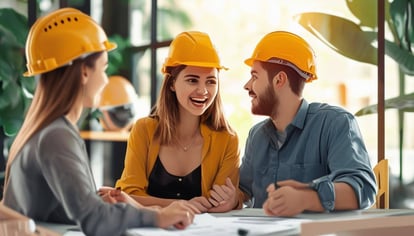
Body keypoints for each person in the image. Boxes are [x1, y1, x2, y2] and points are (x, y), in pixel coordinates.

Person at [2, 8, 197, 236]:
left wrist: (115, 204)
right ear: (84, 72)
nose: (106, 80)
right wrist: (158, 216)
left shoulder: (45, 129)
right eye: (104, 69)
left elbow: (57, 210)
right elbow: (93, 221)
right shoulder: (56, 135)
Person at [237, 31, 377, 216]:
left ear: (279, 80)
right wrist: (233, 198)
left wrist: (308, 198)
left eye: (255, 76)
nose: (247, 85)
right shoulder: (257, 135)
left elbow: (363, 189)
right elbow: (244, 190)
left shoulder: (335, 123)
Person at [111, 31, 241, 213]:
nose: (203, 90)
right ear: (172, 83)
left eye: (211, 81)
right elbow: (127, 196)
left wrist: (234, 200)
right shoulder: (144, 130)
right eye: (192, 80)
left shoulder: (227, 139)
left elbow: (220, 203)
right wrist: (177, 206)